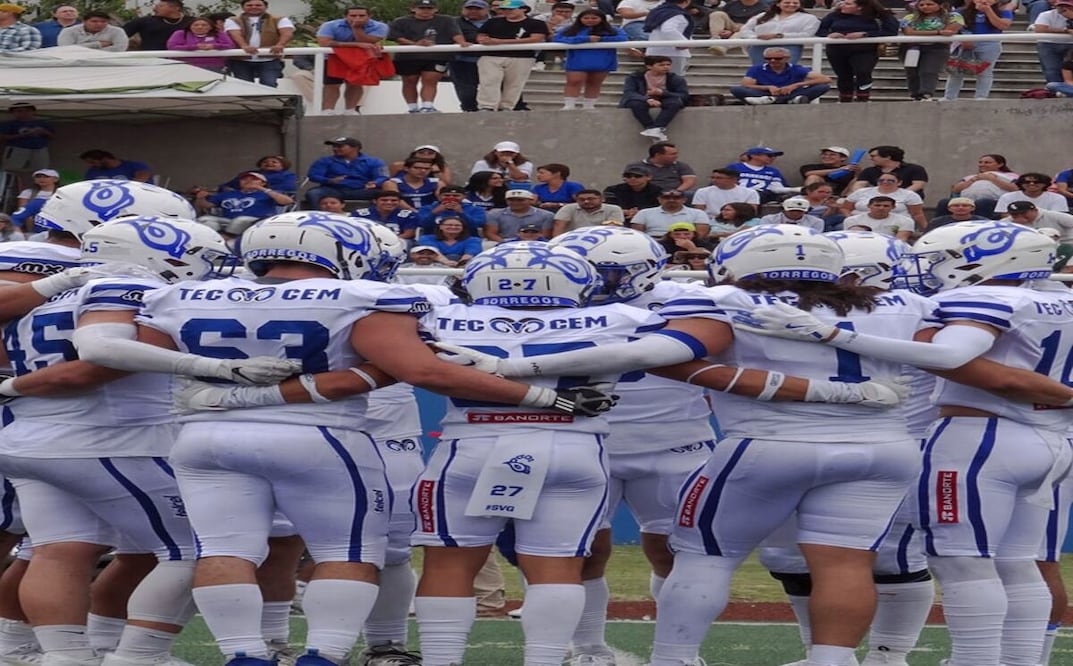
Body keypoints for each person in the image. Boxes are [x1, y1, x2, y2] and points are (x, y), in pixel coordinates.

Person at [120, 214, 612, 666]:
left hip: (205, 436)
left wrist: (224, 384)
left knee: (223, 549)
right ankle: (326, 655)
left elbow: (132, 357)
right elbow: (420, 369)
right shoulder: (361, 296)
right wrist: (544, 396)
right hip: (319, 433)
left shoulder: (182, 295)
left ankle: (243, 654)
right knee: (348, 549)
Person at [742, 221, 1073, 666]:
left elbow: (952, 357)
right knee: (1018, 562)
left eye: (939, 260)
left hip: (980, 437)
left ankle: (974, 660)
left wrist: (833, 334)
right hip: (1048, 438)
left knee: (963, 563)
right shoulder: (1058, 300)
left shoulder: (980, 299)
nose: (926, 269)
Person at [388, 0, 468, 114]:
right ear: (413, 9)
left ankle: (427, 106)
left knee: (430, 80)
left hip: (437, 56)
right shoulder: (400, 21)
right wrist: (415, 44)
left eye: (429, 8)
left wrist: (462, 42)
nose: (425, 11)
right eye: (422, 8)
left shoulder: (447, 20)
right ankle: (412, 108)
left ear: (436, 9)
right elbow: (397, 37)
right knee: (409, 81)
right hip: (408, 57)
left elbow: (456, 34)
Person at [816, 0, 899, 103]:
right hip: (837, 50)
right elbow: (820, 30)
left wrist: (866, 34)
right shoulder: (834, 15)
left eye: (848, 4)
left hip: (865, 50)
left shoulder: (878, 16)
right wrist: (829, 35)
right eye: (843, 2)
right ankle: (845, 98)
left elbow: (890, 31)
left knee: (863, 72)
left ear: (860, 7)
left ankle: (863, 98)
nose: (842, 5)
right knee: (843, 75)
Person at [475, 0, 549, 112]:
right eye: (504, 9)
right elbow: (481, 35)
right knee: (489, 81)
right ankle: (487, 106)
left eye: (511, 9)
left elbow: (536, 38)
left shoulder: (536, 23)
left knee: (515, 84)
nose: (507, 12)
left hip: (522, 57)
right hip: (491, 55)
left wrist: (500, 42)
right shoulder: (492, 22)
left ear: (523, 9)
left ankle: (507, 107)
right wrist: (483, 40)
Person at [315, 6, 389, 115]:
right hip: (334, 58)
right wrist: (356, 45)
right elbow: (324, 43)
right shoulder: (329, 25)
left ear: (369, 16)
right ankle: (327, 111)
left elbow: (368, 41)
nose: (357, 18)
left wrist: (356, 28)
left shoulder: (380, 26)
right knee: (332, 84)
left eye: (361, 15)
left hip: (360, 59)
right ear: (345, 16)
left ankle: (350, 110)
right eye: (353, 16)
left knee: (356, 83)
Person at [553, 9, 628, 110]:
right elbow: (557, 38)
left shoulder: (612, 29)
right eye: (586, 18)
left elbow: (623, 38)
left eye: (594, 18)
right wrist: (584, 39)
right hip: (577, 59)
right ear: (580, 19)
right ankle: (569, 105)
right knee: (574, 81)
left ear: (601, 19)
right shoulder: (571, 29)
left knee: (594, 83)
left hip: (602, 59)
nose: (590, 20)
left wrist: (601, 39)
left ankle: (589, 106)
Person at [942, 0, 1013, 101]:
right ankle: (949, 97)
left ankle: (981, 97)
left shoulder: (1004, 12)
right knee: (956, 72)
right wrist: (963, 38)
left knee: (985, 72)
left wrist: (988, 10)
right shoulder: (960, 11)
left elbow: (1002, 25)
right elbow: (951, 27)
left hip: (989, 43)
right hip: (964, 42)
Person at [193, 171, 294, 238]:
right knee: (204, 219)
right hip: (228, 220)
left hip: (258, 222)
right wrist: (200, 197)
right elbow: (205, 205)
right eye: (244, 179)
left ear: (263, 182)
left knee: (240, 220)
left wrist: (262, 189)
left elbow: (288, 201)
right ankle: (215, 241)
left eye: (254, 179)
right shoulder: (228, 194)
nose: (248, 181)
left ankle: (229, 241)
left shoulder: (268, 193)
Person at [899, 0, 964, 101]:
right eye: (921, 5)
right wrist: (938, 32)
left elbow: (949, 31)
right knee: (912, 73)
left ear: (940, 5)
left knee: (929, 71)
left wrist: (920, 33)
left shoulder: (953, 16)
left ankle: (926, 94)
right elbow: (909, 32)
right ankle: (915, 95)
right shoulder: (909, 17)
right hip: (911, 48)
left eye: (929, 4)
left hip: (937, 48)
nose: (925, 7)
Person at [619, 55, 691, 142]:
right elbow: (629, 93)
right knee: (636, 104)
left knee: (674, 103)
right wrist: (647, 99)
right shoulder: (635, 77)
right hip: (642, 98)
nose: (666, 67)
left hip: (666, 98)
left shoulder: (675, 78)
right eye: (661, 65)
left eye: (668, 64)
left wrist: (663, 93)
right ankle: (651, 127)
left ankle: (656, 128)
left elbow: (683, 95)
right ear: (649, 66)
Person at [304, 137, 389, 208]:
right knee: (313, 193)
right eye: (334, 146)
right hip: (334, 190)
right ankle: (319, 216)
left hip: (362, 190)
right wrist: (329, 180)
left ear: (355, 148)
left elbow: (383, 176)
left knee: (387, 196)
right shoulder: (324, 161)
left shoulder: (374, 161)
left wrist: (375, 183)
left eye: (340, 146)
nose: (335, 149)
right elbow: (313, 175)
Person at [224, 0, 293, 88]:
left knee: (269, 84)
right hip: (241, 60)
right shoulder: (233, 20)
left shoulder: (279, 19)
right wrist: (244, 46)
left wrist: (280, 44)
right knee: (244, 86)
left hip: (269, 59)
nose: (254, 7)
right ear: (242, 7)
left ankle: (269, 98)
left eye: (258, 5)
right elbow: (235, 34)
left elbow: (287, 33)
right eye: (249, 5)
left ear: (266, 7)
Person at [729, 46, 831, 104]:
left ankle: (775, 101)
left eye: (777, 58)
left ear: (787, 58)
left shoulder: (796, 68)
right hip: (766, 94)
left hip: (791, 93)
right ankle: (787, 101)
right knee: (736, 89)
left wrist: (795, 85)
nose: (773, 61)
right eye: (769, 59)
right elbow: (746, 84)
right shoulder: (757, 68)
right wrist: (768, 87)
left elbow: (826, 79)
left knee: (822, 87)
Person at [736, 0, 819, 64]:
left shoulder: (809, 18)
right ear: (778, 4)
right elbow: (745, 29)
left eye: (795, 3)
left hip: (789, 47)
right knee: (761, 71)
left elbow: (807, 34)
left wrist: (779, 35)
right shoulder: (763, 15)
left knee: (785, 71)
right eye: (787, 2)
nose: (791, 4)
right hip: (759, 47)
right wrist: (756, 37)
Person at [935, 153, 1018, 219]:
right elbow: (955, 190)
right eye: (980, 162)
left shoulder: (1011, 176)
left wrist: (992, 179)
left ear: (1000, 164)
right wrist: (973, 180)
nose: (982, 164)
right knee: (944, 202)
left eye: (987, 162)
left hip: (995, 202)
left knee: (982, 202)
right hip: (968, 201)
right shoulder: (971, 176)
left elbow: (1015, 188)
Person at [843, 174, 928, 232]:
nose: (885, 182)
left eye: (890, 180)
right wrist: (850, 218)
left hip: (895, 225)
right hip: (859, 223)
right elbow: (845, 208)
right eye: (881, 180)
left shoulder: (909, 195)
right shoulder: (861, 192)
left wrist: (926, 229)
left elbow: (917, 214)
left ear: (899, 182)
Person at [450, 0, 491, 112]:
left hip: (492, 62)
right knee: (466, 93)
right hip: (462, 62)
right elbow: (450, 36)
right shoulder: (453, 22)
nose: (473, 11)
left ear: (487, 10)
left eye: (478, 9)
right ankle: (469, 112)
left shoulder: (497, 22)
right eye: (469, 8)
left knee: (493, 90)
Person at [724, 146, 795, 204]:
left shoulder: (773, 171)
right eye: (769, 155)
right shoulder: (735, 167)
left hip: (762, 197)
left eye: (774, 156)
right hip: (737, 195)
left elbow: (777, 188)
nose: (773, 158)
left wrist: (796, 189)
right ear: (754, 156)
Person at [851, 145, 929, 196]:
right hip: (876, 201)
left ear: (887, 157)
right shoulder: (869, 170)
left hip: (906, 201)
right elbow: (858, 185)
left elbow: (918, 185)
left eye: (873, 156)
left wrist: (898, 195)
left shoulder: (915, 169)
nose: (870, 158)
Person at [0, 103, 54, 176]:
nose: (24, 113)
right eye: (19, 111)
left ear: (33, 112)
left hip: (40, 149)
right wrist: (23, 135)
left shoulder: (42, 123)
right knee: (10, 170)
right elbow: (2, 137)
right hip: (17, 149)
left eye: (27, 111)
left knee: (41, 171)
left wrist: (43, 132)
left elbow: (52, 136)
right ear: (13, 113)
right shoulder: (9, 124)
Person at [643, 0, 694, 75]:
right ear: (686, 2)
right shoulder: (676, 14)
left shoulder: (657, 11)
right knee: (673, 80)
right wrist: (683, 43)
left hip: (654, 51)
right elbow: (668, 29)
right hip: (673, 54)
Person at [624, 142, 697, 194]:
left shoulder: (680, 165)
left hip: (675, 193)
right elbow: (630, 180)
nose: (676, 156)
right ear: (658, 155)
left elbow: (689, 181)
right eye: (673, 154)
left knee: (691, 194)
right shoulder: (636, 166)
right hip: (647, 193)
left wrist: (676, 191)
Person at [165, 15, 233, 71]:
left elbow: (230, 45)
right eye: (196, 25)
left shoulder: (219, 34)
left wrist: (213, 46)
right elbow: (171, 46)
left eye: (204, 25)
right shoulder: (181, 33)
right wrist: (195, 47)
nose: (200, 27)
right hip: (186, 66)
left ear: (210, 27)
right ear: (190, 26)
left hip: (215, 66)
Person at [631, 189, 710, 237]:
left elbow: (700, 235)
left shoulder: (698, 213)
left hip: (685, 242)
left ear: (684, 200)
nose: (671, 200)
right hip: (653, 242)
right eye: (666, 198)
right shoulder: (644, 213)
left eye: (676, 198)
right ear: (659, 199)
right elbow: (637, 234)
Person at [691, 168, 760, 221]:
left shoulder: (750, 192)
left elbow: (751, 212)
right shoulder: (702, 191)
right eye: (712, 177)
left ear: (734, 179)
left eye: (719, 178)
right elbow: (699, 212)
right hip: (711, 221)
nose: (714, 180)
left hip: (739, 221)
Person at [484, 189, 555, 241]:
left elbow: (545, 235)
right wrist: (504, 242)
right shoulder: (494, 213)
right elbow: (490, 233)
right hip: (503, 242)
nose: (515, 202)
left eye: (520, 200)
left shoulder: (546, 215)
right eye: (511, 200)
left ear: (530, 200)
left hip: (534, 242)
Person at [416, 185, 487, 235]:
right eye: (446, 195)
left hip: (466, 239)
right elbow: (423, 225)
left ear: (464, 197)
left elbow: (476, 226)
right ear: (439, 196)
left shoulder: (476, 209)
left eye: (456, 196)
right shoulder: (426, 208)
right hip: (433, 238)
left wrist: (461, 213)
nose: (451, 198)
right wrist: (435, 212)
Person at [123, 0, 192, 51]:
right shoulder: (144, 21)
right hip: (151, 59)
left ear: (176, 8)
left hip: (184, 60)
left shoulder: (192, 22)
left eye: (160, 6)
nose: (154, 9)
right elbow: (120, 35)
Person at [353, 190, 422, 240]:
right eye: (384, 200)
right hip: (368, 241)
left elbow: (409, 233)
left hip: (399, 241)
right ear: (375, 201)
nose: (389, 202)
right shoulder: (360, 214)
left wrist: (390, 241)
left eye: (394, 200)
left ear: (399, 202)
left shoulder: (409, 215)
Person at [552, 190, 625, 235]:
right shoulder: (568, 208)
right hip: (573, 239)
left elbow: (612, 229)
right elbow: (559, 226)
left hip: (603, 239)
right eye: (581, 199)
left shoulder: (614, 209)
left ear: (602, 199)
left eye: (591, 199)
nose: (586, 201)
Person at [416, 215, 483, 264]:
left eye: (457, 225)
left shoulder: (473, 240)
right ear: (440, 227)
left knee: (453, 257)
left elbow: (469, 255)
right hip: (434, 265)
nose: (453, 227)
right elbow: (433, 252)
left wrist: (460, 265)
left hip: (461, 267)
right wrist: (446, 262)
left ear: (463, 228)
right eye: (449, 225)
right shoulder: (426, 238)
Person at [995, 172, 1070, 214]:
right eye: (1027, 182)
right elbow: (1004, 214)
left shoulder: (1057, 198)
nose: (1031, 184)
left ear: (1045, 184)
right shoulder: (1007, 197)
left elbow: (1058, 216)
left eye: (1036, 182)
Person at [842, 195, 914, 239]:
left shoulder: (905, 221)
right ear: (868, 206)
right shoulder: (852, 220)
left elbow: (900, 240)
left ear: (893, 207)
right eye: (877, 205)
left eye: (886, 206)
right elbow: (851, 239)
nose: (881, 208)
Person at [219, 155, 297, 195]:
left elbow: (289, 187)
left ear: (283, 166)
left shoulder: (287, 175)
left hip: (268, 198)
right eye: (265, 162)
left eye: (274, 162)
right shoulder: (250, 173)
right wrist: (224, 188)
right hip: (241, 197)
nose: (269, 163)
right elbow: (230, 184)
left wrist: (259, 189)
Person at [1001, 200, 1073, 243]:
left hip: (1064, 244)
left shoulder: (1052, 215)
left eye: (1023, 213)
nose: (1019, 216)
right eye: (1015, 214)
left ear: (1035, 210)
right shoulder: (1006, 223)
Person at [57, 10, 128, 51]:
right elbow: (66, 49)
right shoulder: (69, 31)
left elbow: (120, 48)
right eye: (94, 21)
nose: (99, 24)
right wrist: (98, 44)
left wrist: (80, 48)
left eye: (103, 21)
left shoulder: (117, 31)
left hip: (108, 60)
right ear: (84, 21)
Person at [469, 141, 534, 186]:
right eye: (503, 152)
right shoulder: (482, 164)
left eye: (511, 153)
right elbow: (475, 179)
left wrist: (510, 163)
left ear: (516, 154)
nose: (506, 154)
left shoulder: (526, 164)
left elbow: (520, 178)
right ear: (495, 152)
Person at [79, 149, 153, 183]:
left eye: (92, 162)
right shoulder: (93, 171)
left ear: (105, 159)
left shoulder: (135, 166)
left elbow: (140, 181)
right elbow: (87, 185)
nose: (91, 165)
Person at [924, 196, 991, 231]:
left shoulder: (984, 222)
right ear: (949, 209)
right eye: (956, 206)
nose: (960, 208)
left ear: (973, 208)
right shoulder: (936, 222)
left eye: (965, 205)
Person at [757, 196, 825, 231]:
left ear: (806, 211)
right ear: (783, 209)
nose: (795, 213)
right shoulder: (768, 219)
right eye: (792, 210)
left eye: (800, 211)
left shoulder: (816, 222)